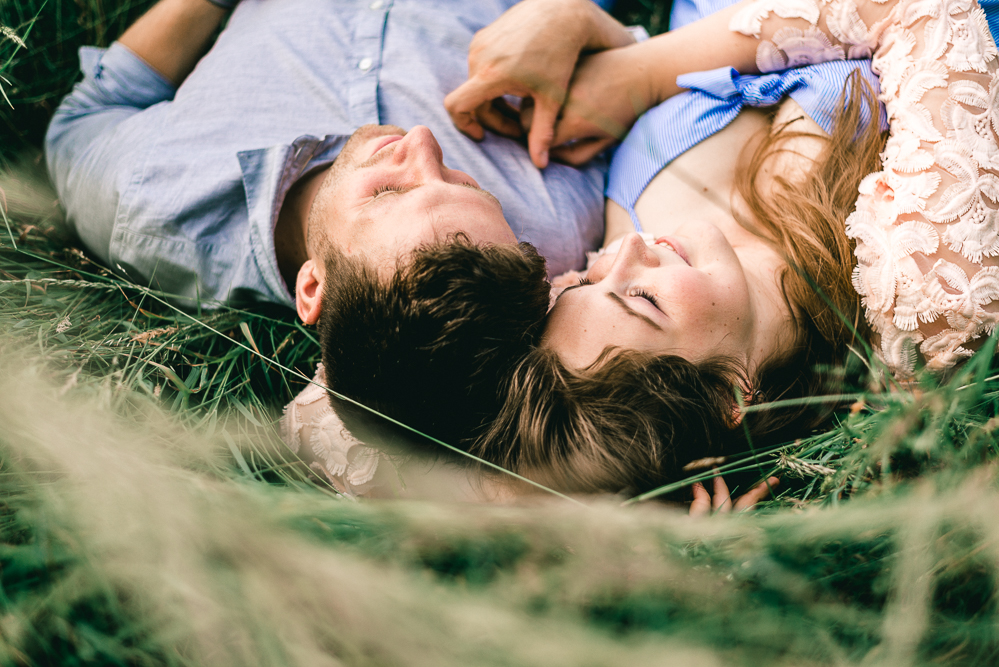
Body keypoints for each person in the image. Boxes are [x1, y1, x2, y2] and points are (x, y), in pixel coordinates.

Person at [438, 0, 999, 495]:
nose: (625, 252)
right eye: (642, 298)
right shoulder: (927, 296)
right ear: (734, 391)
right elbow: (921, 10)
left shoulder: (609, 281)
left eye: (585, 283)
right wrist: (643, 73)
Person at [44, 0, 621, 460]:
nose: (422, 141)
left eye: (388, 192)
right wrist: (577, 17)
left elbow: (86, 116)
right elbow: (638, 95)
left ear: (312, 286)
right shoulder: (550, 228)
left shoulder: (150, 199)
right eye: (464, 179)